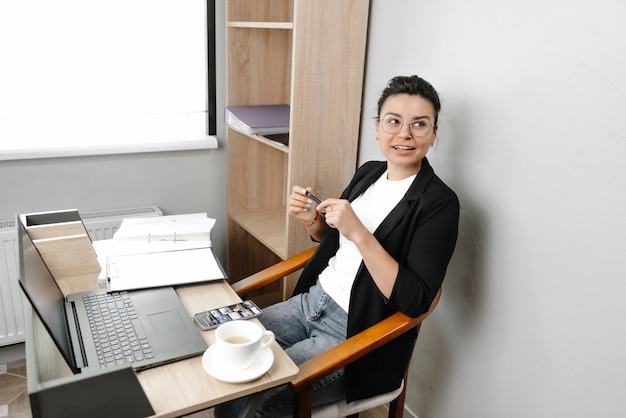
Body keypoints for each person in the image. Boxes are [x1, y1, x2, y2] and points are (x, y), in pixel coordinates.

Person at [214, 75, 460, 417]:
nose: (405, 133)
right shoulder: (369, 173)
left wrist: (359, 232)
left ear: (433, 134)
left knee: (255, 403)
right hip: (310, 303)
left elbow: (415, 300)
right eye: (393, 121)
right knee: (226, 367)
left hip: (356, 332)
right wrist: (312, 221)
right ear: (377, 128)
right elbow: (331, 242)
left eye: (419, 124)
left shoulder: (439, 203)